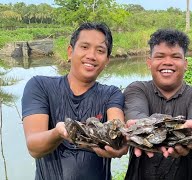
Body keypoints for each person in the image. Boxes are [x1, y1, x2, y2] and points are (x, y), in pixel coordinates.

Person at [22, 22, 128, 180]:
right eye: (84, 47)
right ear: (70, 51)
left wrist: (120, 143)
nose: (91, 55)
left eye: (100, 50)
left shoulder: (111, 93)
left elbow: (116, 126)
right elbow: (34, 147)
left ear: (107, 61)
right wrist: (58, 133)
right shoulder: (39, 85)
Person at [123, 29, 192, 180]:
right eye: (160, 56)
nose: (167, 62)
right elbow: (136, 114)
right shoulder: (137, 89)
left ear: (185, 64)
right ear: (149, 62)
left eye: (175, 56)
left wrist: (190, 131)